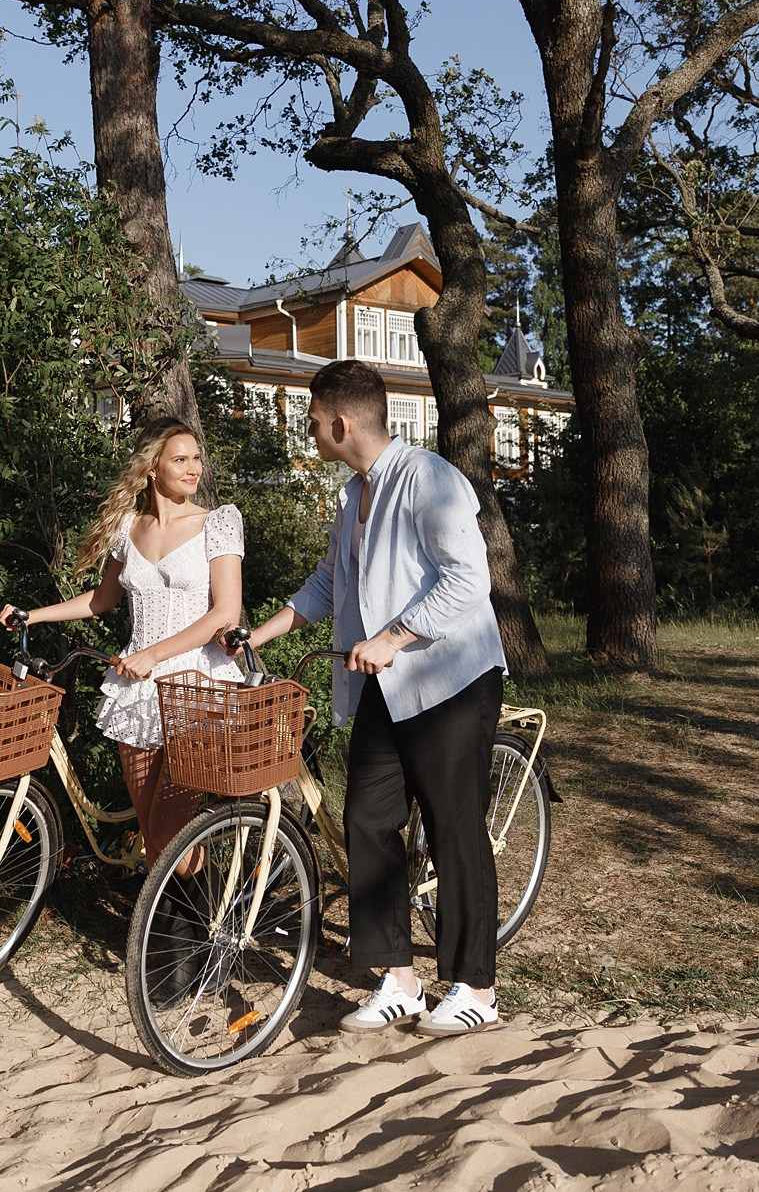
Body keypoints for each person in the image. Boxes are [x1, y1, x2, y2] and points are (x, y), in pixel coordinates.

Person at [242, 361, 507, 1037]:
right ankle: (399, 979)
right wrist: (254, 633)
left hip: (451, 679)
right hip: (387, 686)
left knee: (453, 826)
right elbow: (330, 585)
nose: (307, 428)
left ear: (341, 421)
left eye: (311, 417)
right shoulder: (351, 496)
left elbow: (468, 579)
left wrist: (393, 635)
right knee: (366, 818)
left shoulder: (427, 478)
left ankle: (476, 986)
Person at [0, 421, 244, 869]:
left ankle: (195, 926)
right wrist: (32, 614)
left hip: (196, 685)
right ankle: (173, 930)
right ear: (153, 468)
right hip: (137, 687)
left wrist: (152, 654)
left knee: (170, 834)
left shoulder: (217, 522)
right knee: (153, 835)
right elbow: (101, 599)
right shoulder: (128, 527)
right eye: (181, 459)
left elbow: (225, 612)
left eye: (196, 458)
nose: (194, 469)